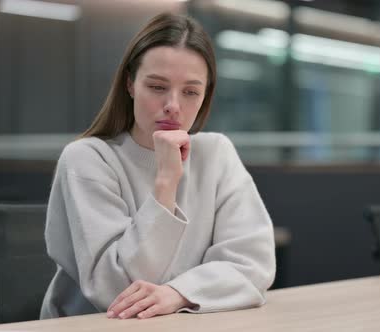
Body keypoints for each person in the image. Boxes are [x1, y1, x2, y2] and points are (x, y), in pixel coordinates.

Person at [40, 12, 276, 320]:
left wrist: (179, 294)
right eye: (157, 86)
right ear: (130, 84)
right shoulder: (87, 158)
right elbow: (116, 293)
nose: (173, 105)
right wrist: (166, 181)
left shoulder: (216, 154)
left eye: (191, 91)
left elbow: (253, 265)